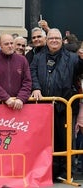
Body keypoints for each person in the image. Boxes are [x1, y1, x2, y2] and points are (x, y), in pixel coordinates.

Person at [30, 28, 83, 181]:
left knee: (66, 141)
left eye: (57, 39)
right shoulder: (38, 57)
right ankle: (50, 173)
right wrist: (36, 88)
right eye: (51, 38)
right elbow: (32, 73)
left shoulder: (72, 58)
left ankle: (67, 173)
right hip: (44, 108)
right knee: (47, 141)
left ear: (62, 41)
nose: (54, 41)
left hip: (65, 106)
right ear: (46, 41)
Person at [0, 34, 32, 110]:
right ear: (0, 46)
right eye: (6, 44)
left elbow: (27, 82)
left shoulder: (22, 60)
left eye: (11, 43)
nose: (10, 46)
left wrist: (21, 98)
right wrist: (6, 98)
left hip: (19, 105)